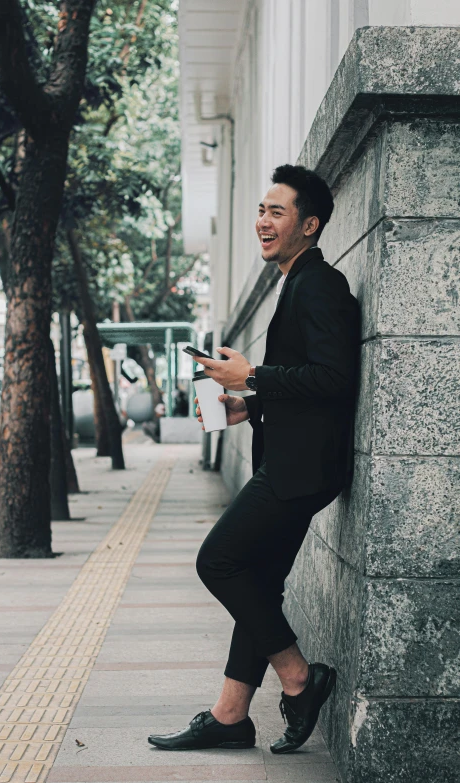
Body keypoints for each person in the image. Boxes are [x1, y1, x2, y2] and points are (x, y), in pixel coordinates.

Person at [147, 164, 360, 754]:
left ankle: (299, 679)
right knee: (260, 582)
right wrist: (248, 402)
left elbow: (334, 378)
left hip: (299, 469)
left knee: (218, 561)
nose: (263, 222)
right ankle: (231, 716)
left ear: (309, 225)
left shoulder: (320, 284)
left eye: (277, 212)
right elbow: (307, 382)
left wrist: (255, 374)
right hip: (293, 459)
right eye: (262, 211)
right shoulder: (295, 281)